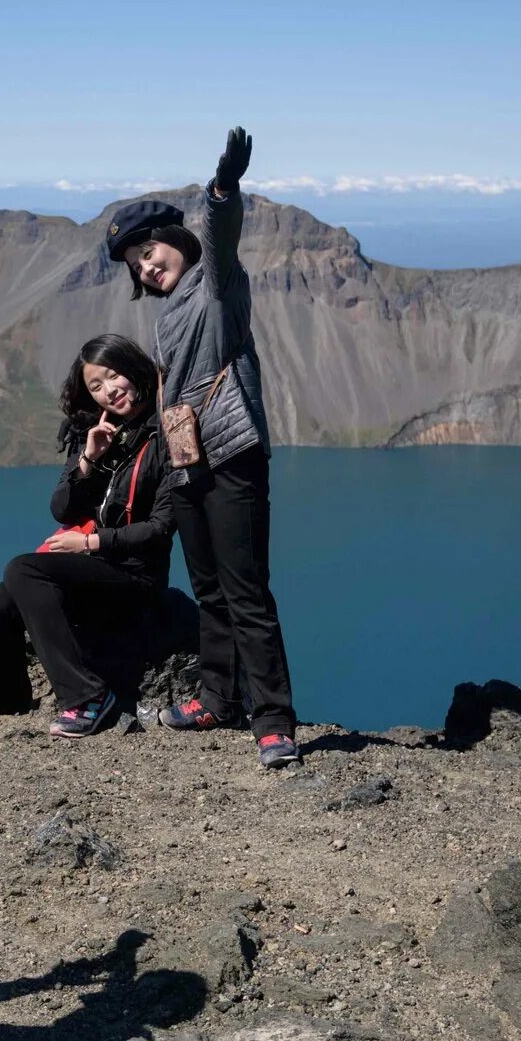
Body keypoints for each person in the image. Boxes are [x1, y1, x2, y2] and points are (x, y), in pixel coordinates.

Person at [104, 127, 303, 770]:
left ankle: (274, 721)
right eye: (136, 264)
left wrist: (222, 189)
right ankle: (218, 699)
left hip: (233, 454)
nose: (146, 266)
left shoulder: (216, 285)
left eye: (150, 250)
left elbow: (221, 236)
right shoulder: (166, 317)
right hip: (187, 463)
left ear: (177, 239)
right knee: (209, 589)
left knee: (247, 591)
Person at [0, 334, 180, 737]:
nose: (110, 390)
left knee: (22, 569)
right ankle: (5, 693)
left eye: (113, 376)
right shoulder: (100, 433)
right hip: (96, 568)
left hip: (136, 579)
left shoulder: (165, 431)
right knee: (0, 600)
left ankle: (88, 697)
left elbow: (160, 529)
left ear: (133, 368)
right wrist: (89, 459)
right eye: (96, 386)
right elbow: (61, 509)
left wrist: (91, 543)